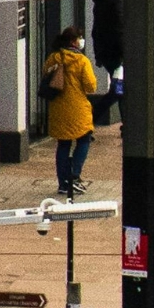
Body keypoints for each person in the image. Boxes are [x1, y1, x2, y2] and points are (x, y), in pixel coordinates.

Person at [43, 26, 98, 196]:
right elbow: (91, 86)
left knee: (63, 144)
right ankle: (73, 175)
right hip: (77, 108)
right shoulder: (81, 61)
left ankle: (62, 182)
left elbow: (46, 76)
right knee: (84, 139)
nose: (81, 40)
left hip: (58, 108)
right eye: (79, 38)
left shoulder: (53, 58)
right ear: (74, 41)